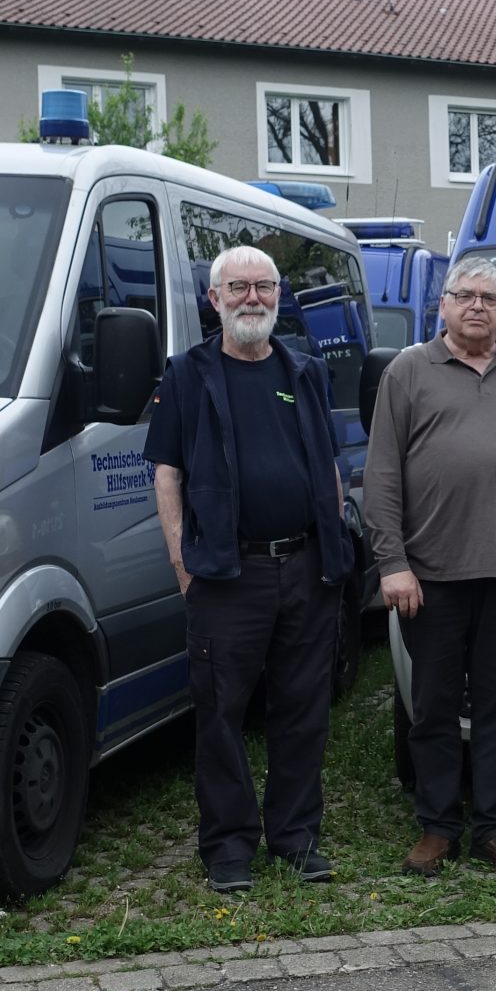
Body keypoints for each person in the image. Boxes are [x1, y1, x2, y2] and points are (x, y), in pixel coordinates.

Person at [146, 245, 357, 893]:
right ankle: (229, 846)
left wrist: (332, 541)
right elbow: (167, 474)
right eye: (237, 287)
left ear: (278, 296)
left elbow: (326, 465)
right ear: (214, 299)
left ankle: (295, 837)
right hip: (226, 575)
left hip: (306, 568)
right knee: (220, 714)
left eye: (263, 286)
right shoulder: (187, 374)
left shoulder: (305, 370)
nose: (251, 298)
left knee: (303, 710)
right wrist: (183, 565)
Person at [364, 254, 496, 878]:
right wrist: (392, 563)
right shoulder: (407, 371)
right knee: (433, 705)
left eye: (490, 298)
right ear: (444, 304)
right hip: (429, 576)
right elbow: (382, 475)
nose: (477, 305)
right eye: (465, 295)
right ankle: (438, 825)